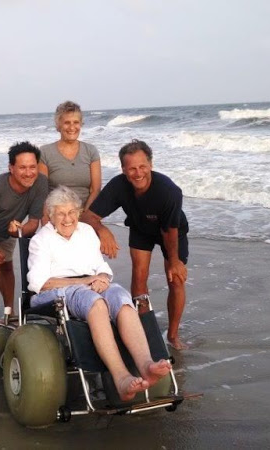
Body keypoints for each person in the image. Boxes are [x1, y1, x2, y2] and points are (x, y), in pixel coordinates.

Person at [27, 186, 172, 401]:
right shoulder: (41, 240)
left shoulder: (86, 232)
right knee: (95, 302)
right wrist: (86, 282)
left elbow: (100, 265)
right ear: (50, 215)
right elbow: (40, 283)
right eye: (61, 213)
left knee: (121, 298)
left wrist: (103, 277)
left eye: (72, 213)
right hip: (56, 291)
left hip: (92, 283)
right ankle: (121, 378)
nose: (67, 219)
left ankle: (146, 365)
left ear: (78, 213)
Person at [80, 139, 190, 350]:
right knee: (139, 277)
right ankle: (143, 330)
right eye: (131, 169)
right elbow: (88, 216)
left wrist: (174, 261)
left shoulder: (169, 191)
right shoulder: (119, 185)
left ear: (150, 165)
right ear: (123, 170)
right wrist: (102, 230)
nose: (138, 173)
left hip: (171, 231)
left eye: (142, 167)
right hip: (141, 228)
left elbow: (170, 230)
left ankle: (173, 336)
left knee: (176, 279)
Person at [0, 142, 48, 324]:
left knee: (7, 268)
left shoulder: (41, 182)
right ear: (11, 168)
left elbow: (33, 223)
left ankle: (9, 313)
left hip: (9, 229)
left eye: (32, 167)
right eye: (22, 167)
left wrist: (18, 232)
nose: (28, 173)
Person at [39, 101, 101, 210]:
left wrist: (85, 216)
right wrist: (46, 217)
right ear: (58, 125)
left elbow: (95, 190)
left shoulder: (91, 151)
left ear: (81, 124)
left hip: (85, 213)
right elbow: (42, 192)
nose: (72, 127)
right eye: (67, 122)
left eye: (76, 122)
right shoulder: (45, 152)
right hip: (56, 214)